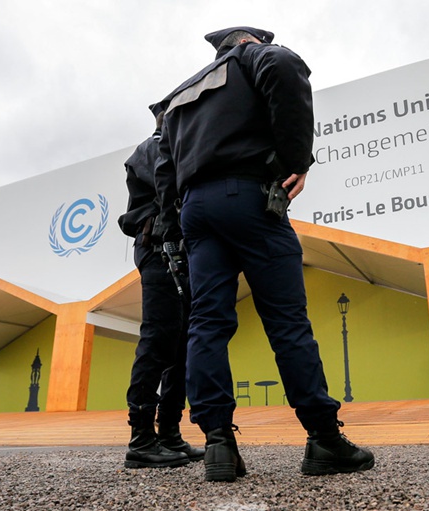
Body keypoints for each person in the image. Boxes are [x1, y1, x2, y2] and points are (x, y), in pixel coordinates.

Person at [152, 26, 374, 482]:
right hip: (249, 197)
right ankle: (324, 438)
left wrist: (174, 228)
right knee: (287, 321)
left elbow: (162, 167)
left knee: (206, 323)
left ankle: (218, 443)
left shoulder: (179, 97)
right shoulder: (256, 57)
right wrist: (298, 160)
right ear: (247, 41)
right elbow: (285, 66)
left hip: (196, 210)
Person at [117, 113, 204, 468]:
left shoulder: (164, 146)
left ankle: (168, 432)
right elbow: (173, 187)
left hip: (174, 249)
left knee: (180, 342)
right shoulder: (155, 148)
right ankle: (141, 438)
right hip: (157, 248)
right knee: (158, 338)